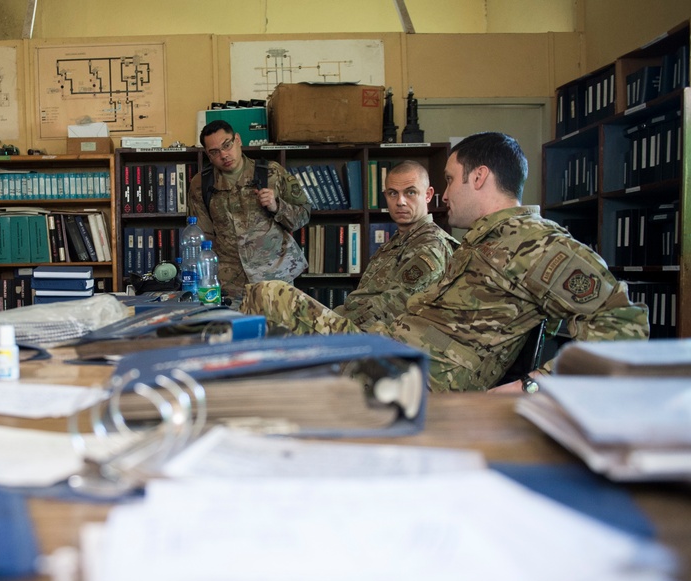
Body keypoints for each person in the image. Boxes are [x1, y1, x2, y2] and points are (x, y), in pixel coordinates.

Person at [242, 132, 650, 392]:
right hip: (392, 346)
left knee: (270, 296)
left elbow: (624, 326)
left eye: (451, 179)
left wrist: (535, 387)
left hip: (427, 374)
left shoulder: (536, 243)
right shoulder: (480, 241)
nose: (445, 194)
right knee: (265, 310)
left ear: (479, 177)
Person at [188, 120, 311, 299]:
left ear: (237, 140)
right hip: (231, 283)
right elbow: (202, 236)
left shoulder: (272, 173)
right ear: (208, 155)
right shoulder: (201, 183)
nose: (224, 155)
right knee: (238, 327)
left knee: (278, 327)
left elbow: (304, 214)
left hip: (275, 278)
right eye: (215, 152)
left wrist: (277, 206)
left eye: (227, 145)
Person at [333, 160, 457, 328]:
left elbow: (393, 307)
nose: (400, 201)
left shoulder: (430, 245)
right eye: (393, 193)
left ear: (428, 195)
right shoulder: (399, 240)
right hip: (366, 333)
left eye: (410, 192)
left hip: (387, 342)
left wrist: (333, 324)